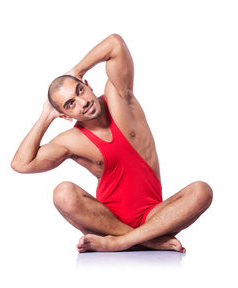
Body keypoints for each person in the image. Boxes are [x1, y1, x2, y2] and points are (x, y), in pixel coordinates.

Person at [11, 34, 212, 252]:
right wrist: (46, 116)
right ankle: (144, 239)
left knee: (202, 191)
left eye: (80, 91)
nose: (83, 102)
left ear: (87, 85)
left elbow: (115, 43)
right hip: (107, 221)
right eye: (70, 104)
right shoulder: (72, 140)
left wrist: (76, 70)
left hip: (155, 215)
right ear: (65, 116)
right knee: (62, 193)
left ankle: (123, 242)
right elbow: (21, 164)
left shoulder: (119, 96)